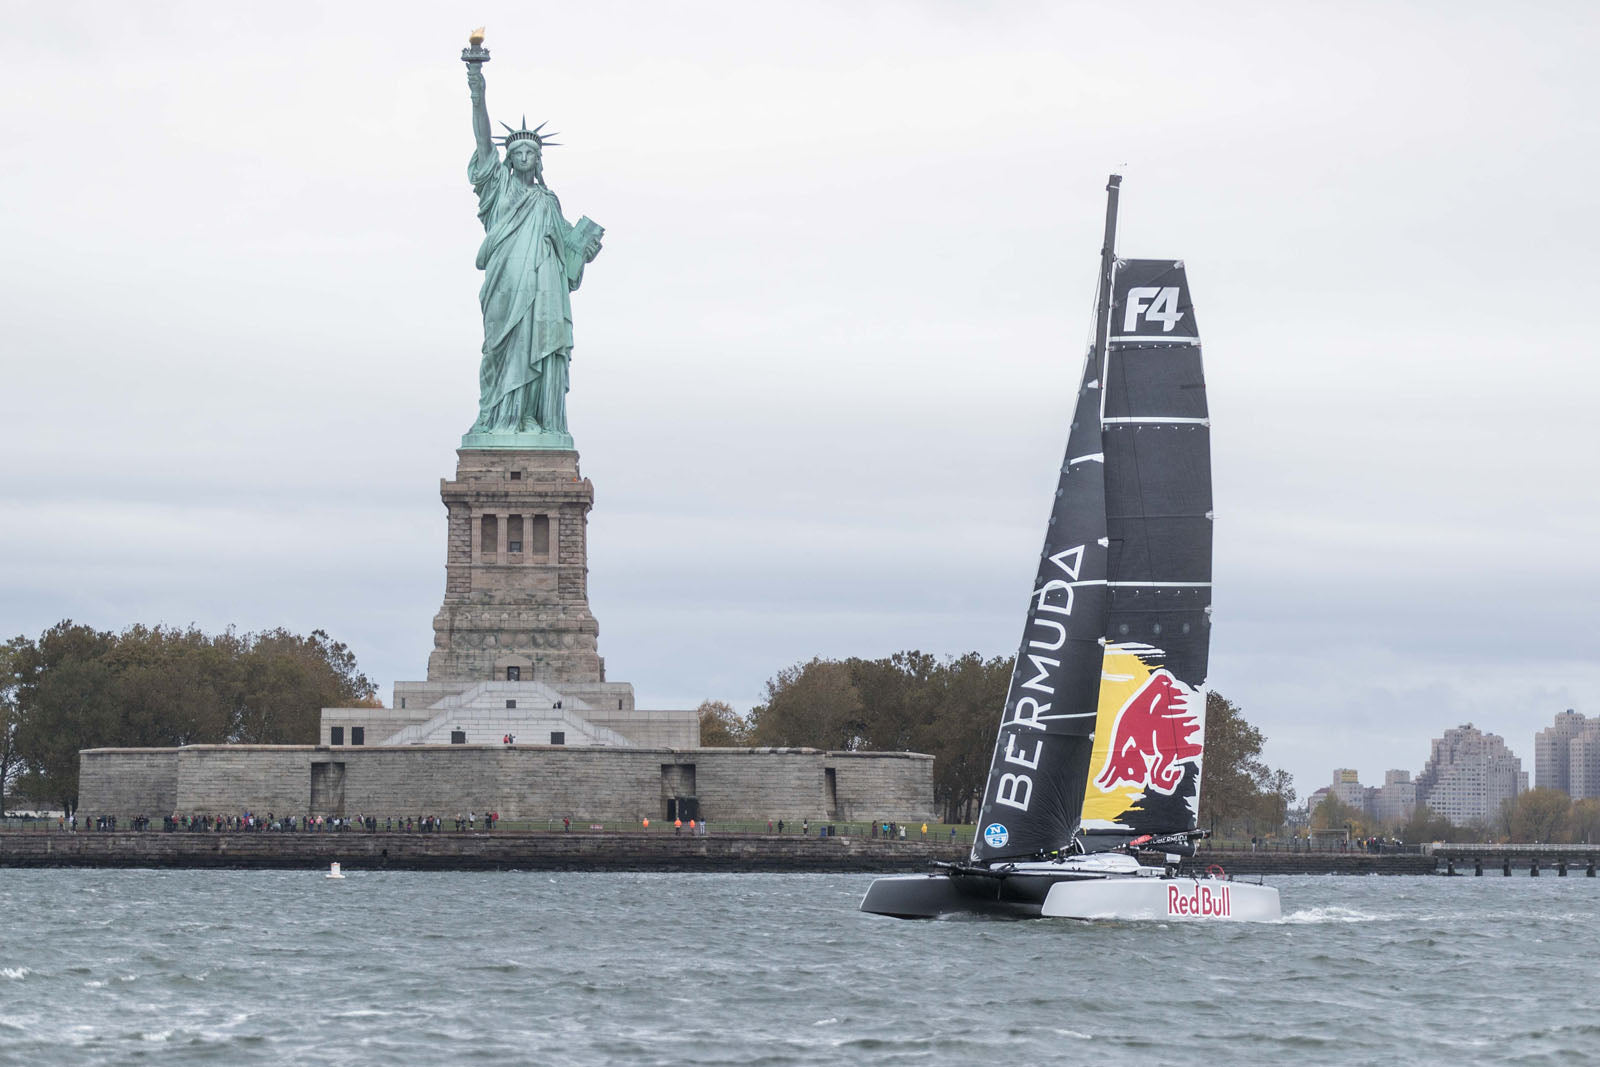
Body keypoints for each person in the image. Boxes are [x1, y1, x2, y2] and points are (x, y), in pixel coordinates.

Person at [463, 60, 603, 438]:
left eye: (531, 153)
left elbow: (569, 253)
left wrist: (584, 249)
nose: (524, 157)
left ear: (538, 161)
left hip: (543, 289)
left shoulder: (547, 201)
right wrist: (477, 89)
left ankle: (531, 418)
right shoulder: (498, 190)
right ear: (508, 160)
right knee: (501, 348)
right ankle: (497, 416)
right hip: (505, 283)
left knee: (537, 345)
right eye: (518, 153)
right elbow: (481, 140)